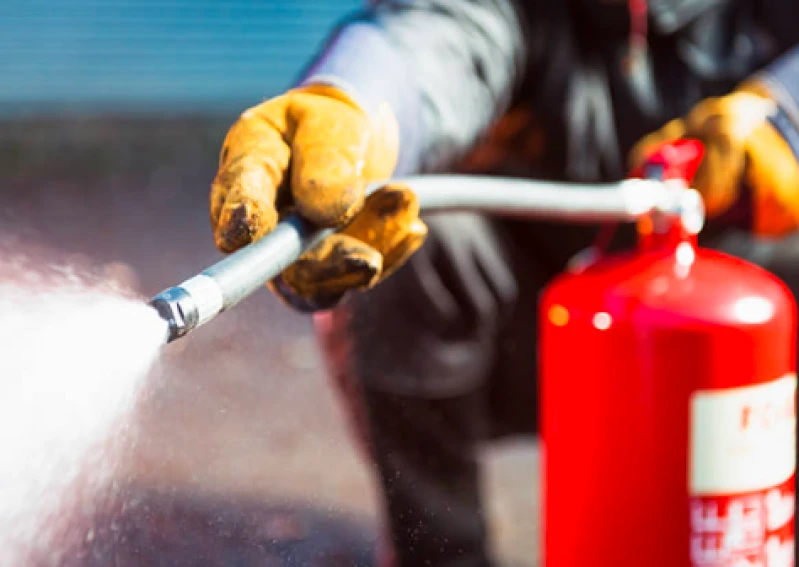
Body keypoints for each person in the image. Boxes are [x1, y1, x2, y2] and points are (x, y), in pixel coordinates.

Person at [209, 1, 799, 565]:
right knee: (403, 244)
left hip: (749, 322)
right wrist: (350, 104)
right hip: (534, 323)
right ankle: (443, 554)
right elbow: (433, 38)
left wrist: (788, 115)